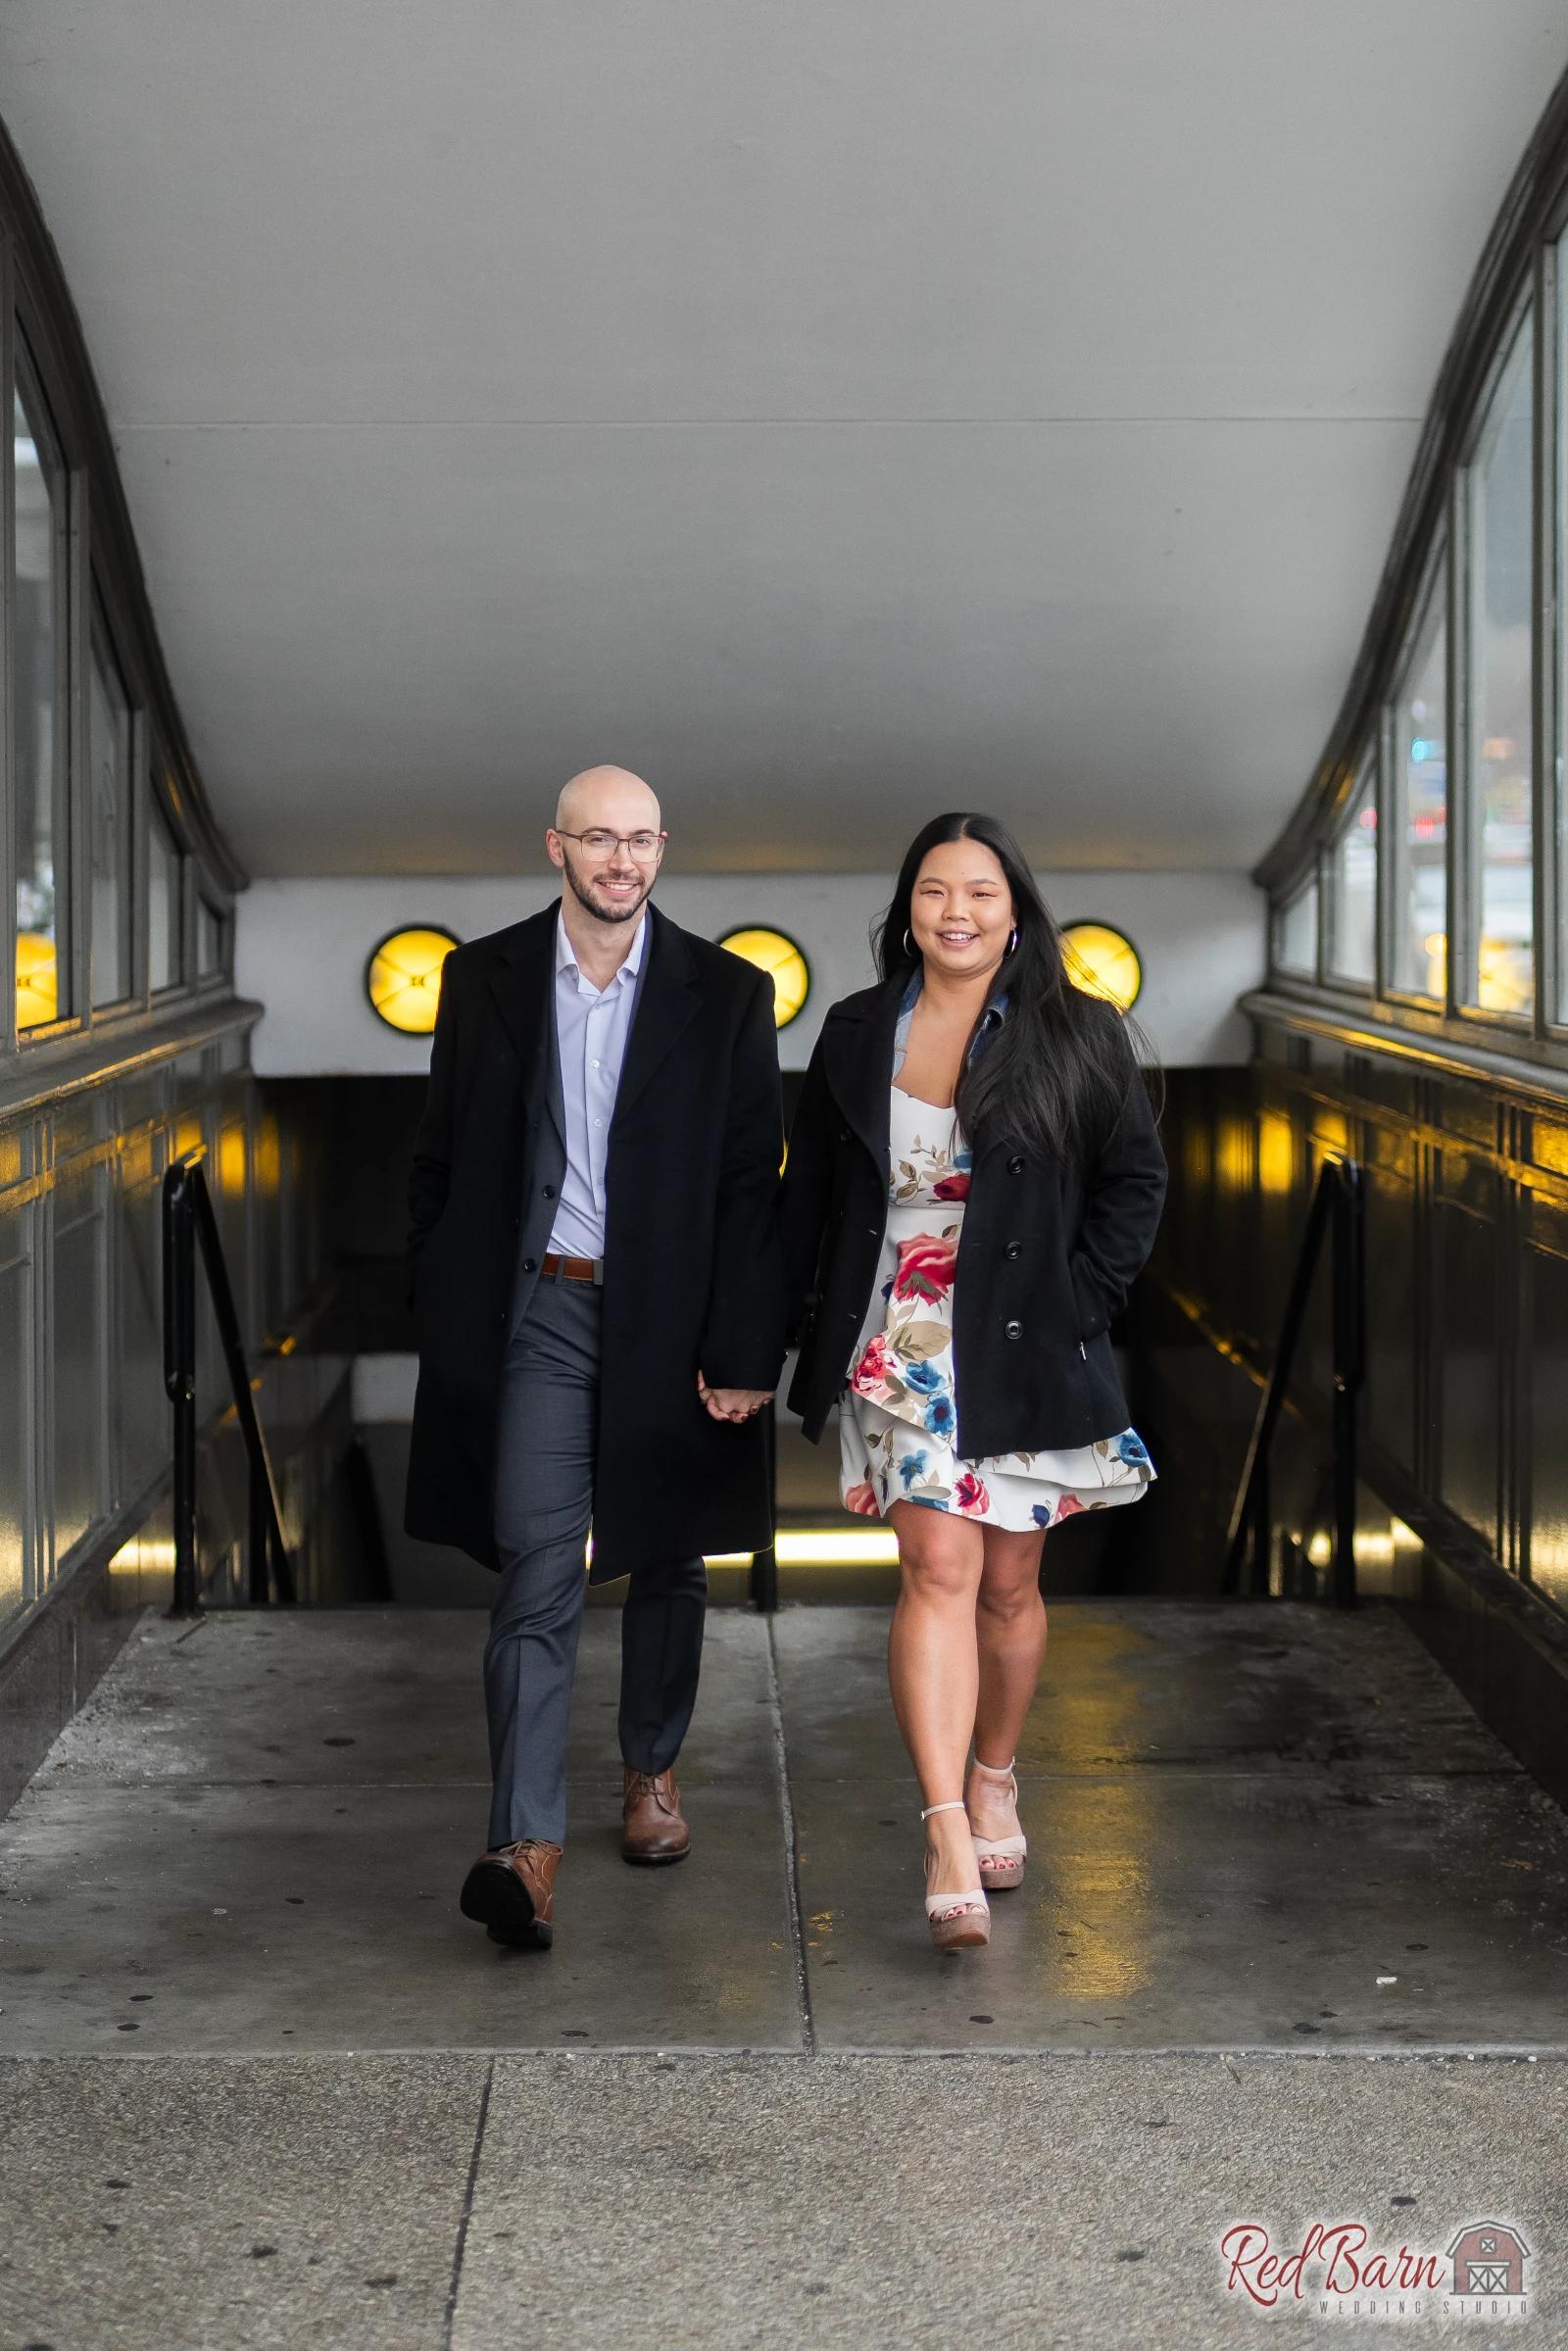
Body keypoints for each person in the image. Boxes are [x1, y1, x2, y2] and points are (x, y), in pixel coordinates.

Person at [405, 765, 785, 1952]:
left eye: (640, 841)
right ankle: (523, 1845)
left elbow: (748, 1185)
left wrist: (739, 1343)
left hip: (671, 1318)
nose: (621, 861)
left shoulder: (727, 993)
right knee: (535, 1564)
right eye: (598, 840)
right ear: (555, 848)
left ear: (663, 848)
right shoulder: (483, 979)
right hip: (541, 1312)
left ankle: (651, 1769)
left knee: (667, 1552)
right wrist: (451, 1296)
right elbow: (441, 1156)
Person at [781, 812, 1166, 1952]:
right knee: (937, 1563)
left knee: (1007, 1585)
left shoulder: (1077, 1031)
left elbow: (1134, 1182)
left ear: (1015, 910)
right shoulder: (857, 1029)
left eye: (981, 893)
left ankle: (995, 1770)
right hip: (901, 1332)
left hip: (1029, 1331)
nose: (957, 912)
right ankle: (946, 1826)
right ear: (907, 906)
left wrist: (1079, 1302)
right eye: (936, 890)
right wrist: (772, 1346)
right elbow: (809, 1199)